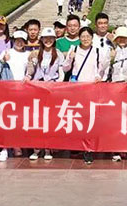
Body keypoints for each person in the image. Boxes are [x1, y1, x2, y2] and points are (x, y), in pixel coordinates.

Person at [62, 27, 108, 164]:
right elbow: (65, 68)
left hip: (92, 89)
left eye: (88, 36)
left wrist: (99, 77)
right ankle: (77, 146)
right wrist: (70, 59)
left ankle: (89, 149)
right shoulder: (74, 49)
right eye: (83, 36)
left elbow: (103, 69)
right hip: (76, 89)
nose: (85, 39)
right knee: (77, 117)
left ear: (92, 37)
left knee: (90, 119)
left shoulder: (97, 51)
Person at [25, 27, 64, 161]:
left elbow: (61, 72)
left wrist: (57, 84)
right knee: (37, 119)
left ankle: (48, 148)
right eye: (46, 38)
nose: (48, 41)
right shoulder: (35, 54)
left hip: (52, 89)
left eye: (51, 39)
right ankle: (36, 149)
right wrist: (28, 77)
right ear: (42, 40)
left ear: (54, 40)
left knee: (50, 120)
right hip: (37, 89)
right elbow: (30, 70)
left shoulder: (58, 53)